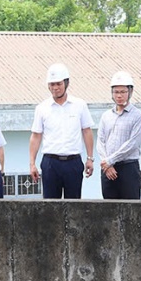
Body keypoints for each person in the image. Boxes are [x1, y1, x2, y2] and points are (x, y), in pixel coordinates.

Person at [28, 62, 94, 199]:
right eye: (52, 84)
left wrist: (90, 158)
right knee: (51, 208)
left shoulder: (79, 105)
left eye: (58, 84)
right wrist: (32, 163)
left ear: (66, 83)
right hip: (50, 163)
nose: (55, 88)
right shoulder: (42, 108)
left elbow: (87, 132)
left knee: (74, 206)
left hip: (73, 162)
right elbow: (36, 136)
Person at [97, 71, 141, 200]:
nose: (119, 96)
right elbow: (100, 140)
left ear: (130, 92)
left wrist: (110, 161)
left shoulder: (138, 116)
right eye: (116, 92)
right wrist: (106, 164)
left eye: (123, 92)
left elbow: (132, 144)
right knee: (109, 209)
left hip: (128, 167)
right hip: (107, 169)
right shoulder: (106, 116)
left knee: (130, 208)